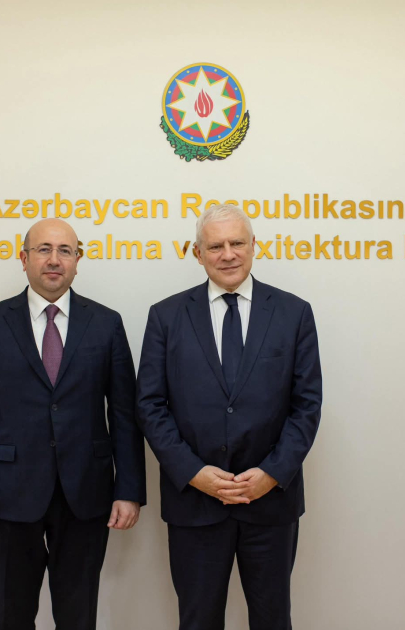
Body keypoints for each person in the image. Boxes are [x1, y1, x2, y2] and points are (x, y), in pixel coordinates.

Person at [0, 218, 146, 629]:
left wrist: (129, 490)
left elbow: (125, 414)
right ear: (23, 259)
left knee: (78, 617)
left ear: (77, 260)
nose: (54, 260)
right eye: (43, 249)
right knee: (13, 615)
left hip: (86, 494)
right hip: (7, 496)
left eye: (65, 251)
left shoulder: (106, 323)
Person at [136, 204, 322, 630]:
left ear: (254, 246)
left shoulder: (294, 313)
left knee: (273, 620)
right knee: (198, 620)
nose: (228, 254)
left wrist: (272, 473)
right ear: (197, 253)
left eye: (237, 242)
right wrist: (193, 472)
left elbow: (307, 404)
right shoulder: (166, 316)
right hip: (195, 503)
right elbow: (149, 404)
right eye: (215, 246)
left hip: (270, 502)